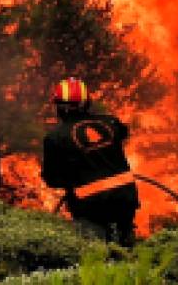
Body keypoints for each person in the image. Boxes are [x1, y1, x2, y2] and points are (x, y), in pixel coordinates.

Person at [40, 77, 139, 244]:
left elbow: (52, 179)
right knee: (126, 250)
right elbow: (123, 132)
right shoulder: (110, 122)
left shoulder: (55, 137)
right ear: (87, 103)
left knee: (96, 256)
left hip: (91, 208)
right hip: (125, 199)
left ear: (58, 108)